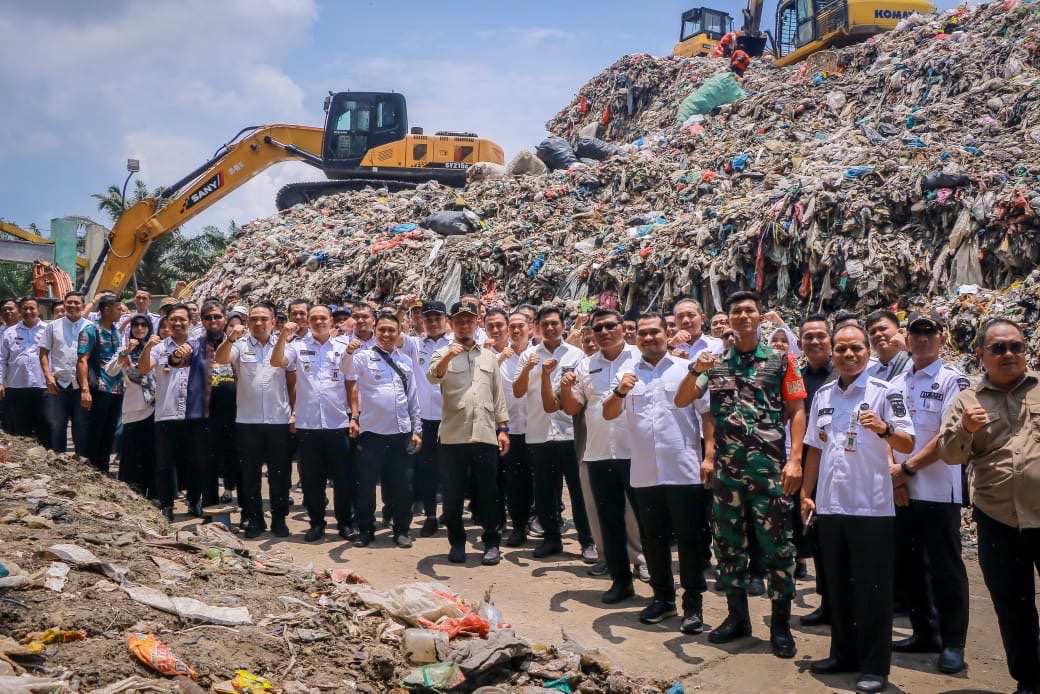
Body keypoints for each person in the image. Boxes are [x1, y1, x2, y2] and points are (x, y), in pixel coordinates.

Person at [677, 291, 805, 659]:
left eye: (750, 310)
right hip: (727, 475)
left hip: (769, 472)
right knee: (729, 547)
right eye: (737, 311)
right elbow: (683, 400)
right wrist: (695, 369)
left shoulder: (782, 361)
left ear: (760, 317)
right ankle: (738, 618)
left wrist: (794, 459)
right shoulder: (715, 364)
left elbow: (797, 411)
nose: (743, 316)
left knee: (778, 547)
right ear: (729, 319)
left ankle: (780, 625)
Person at [801, 323, 915, 694]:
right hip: (832, 505)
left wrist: (883, 428)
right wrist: (807, 492)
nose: (848, 355)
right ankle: (843, 654)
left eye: (856, 348)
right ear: (833, 354)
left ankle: (873, 666)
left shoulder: (887, 391)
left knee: (872, 590)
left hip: (871, 507)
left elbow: (907, 441)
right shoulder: (824, 395)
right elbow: (814, 447)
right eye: (841, 349)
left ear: (867, 351)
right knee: (838, 586)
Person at [937, 318, 1040, 693]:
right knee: (1014, 608)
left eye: (1016, 346)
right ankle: (1029, 681)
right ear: (981, 355)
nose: (1009, 354)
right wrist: (965, 428)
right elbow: (948, 454)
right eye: (998, 348)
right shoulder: (967, 400)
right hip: (998, 521)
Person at [603, 313, 709, 631]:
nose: (649, 338)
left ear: (668, 333)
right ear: (636, 338)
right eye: (643, 334)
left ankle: (693, 605)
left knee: (689, 540)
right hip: (645, 472)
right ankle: (663, 599)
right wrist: (620, 391)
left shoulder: (686, 370)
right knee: (653, 539)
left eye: (655, 332)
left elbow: (707, 415)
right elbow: (609, 413)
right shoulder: (626, 373)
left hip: (683, 469)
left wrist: (710, 457)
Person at [888, 309, 970, 674]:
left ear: (941, 337)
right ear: (906, 339)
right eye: (915, 333)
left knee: (945, 569)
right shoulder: (895, 383)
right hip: (904, 490)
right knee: (909, 567)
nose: (922, 339)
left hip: (939, 491)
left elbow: (948, 435)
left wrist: (907, 469)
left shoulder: (954, 379)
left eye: (929, 332)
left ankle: (953, 644)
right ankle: (925, 633)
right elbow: (888, 433)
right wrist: (899, 480)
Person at [559, 308, 644, 604]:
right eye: (598, 328)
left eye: (610, 326)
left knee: (647, 521)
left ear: (623, 328)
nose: (604, 332)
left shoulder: (639, 357)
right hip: (597, 453)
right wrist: (566, 390)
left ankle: (661, 587)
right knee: (609, 522)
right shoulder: (586, 365)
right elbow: (573, 408)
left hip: (636, 453)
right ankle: (621, 582)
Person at [428, 300, 510, 565]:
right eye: (459, 321)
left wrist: (503, 428)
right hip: (453, 437)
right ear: (450, 324)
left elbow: (497, 394)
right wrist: (450, 355)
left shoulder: (488, 356)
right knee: (452, 496)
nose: (465, 325)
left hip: (485, 435)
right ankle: (457, 543)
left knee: (488, 493)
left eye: (470, 320)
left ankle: (491, 543)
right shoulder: (442, 352)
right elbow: (433, 376)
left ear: (478, 324)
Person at [514, 306, 594, 559]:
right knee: (545, 491)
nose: (550, 328)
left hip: (571, 432)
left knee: (578, 491)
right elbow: (517, 392)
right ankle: (551, 539)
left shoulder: (577, 355)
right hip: (539, 433)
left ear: (563, 326)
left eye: (554, 323)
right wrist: (529, 369)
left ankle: (588, 541)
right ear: (536, 327)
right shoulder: (528, 355)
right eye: (545, 324)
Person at [273, 305, 355, 542]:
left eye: (323, 318)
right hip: (308, 424)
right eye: (314, 319)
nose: (319, 322)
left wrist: (354, 417)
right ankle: (316, 523)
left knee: (343, 479)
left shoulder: (343, 347)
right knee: (312, 480)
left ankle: (345, 523)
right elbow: (277, 361)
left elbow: (351, 383)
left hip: (337, 422)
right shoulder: (298, 347)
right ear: (308, 323)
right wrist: (282, 336)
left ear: (331, 321)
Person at [216, 302, 296, 538]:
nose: (259, 323)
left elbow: (280, 363)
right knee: (249, 474)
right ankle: (253, 518)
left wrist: (281, 337)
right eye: (254, 319)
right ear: (247, 322)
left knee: (279, 473)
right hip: (247, 420)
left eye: (264, 319)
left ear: (273, 322)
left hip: (277, 420)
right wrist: (230, 338)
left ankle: (279, 518)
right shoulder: (240, 345)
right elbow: (221, 359)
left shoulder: (287, 345)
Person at [342, 312, 422, 547]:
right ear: (375, 332)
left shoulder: (406, 362)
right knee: (366, 486)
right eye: (382, 330)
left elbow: (413, 399)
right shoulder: (363, 357)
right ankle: (366, 530)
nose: (387, 334)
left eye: (392, 330)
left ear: (399, 334)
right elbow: (346, 370)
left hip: (400, 434)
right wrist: (348, 352)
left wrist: (417, 430)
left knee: (403, 486)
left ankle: (401, 529)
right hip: (372, 434)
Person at [138, 305, 210, 521]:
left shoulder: (199, 347)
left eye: (182, 320)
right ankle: (167, 504)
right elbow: (143, 369)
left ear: (190, 322)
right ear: (166, 322)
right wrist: (147, 347)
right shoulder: (159, 348)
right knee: (164, 463)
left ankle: (194, 500)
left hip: (193, 414)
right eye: (173, 320)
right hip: (166, 413)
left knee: (195, 460)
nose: (178, 324)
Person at [797, 314, 838, 626]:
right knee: (821, 541)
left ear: (830, 340)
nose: (814, 341)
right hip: (812, 468)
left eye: (820, 336)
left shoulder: (843, 376)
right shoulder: (798, 378)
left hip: (844, 468)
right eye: (808, 337)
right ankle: (828, 604)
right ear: (800, 343)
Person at [401, 300, 451, 536]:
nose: (432, 322)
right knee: (426, 470)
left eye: (437, 318)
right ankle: (430, 516)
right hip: (423, 420)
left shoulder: (456, 344)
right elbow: (394, 336)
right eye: (427, 318)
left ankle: (451, 515)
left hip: (450, 418)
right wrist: (403, 309)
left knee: (452, 470)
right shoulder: (414, 345)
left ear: (446, 321)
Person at [106, 315, 156, 498]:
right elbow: (110, 371)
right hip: (134, 409)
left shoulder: (157, 348)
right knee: (133, 454)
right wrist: (125, 352)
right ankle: (134, 492)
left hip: (154, 407)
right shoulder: (125, 348)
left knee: (152, 453)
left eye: (144, 325)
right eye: (136, 325)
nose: (140, 328)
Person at [39, 291, 90, 455]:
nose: (73, 306)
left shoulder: (90, 326)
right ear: (65, 304)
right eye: (69, 302)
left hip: (82, 385)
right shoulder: (53, 326)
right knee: (58, 425)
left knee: (81, 426)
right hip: (59, 384)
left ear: (82, 305)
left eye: (76, 303)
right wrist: (48, 377)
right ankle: (58, 462)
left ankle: (82, 463)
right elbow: (43, 353)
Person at [78, 296, 125, 473]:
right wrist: (85, 389)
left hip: (117, 389)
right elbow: (82, 361)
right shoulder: (91, 331)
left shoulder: (116, 332)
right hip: (99, 387)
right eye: (118, 308)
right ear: (107, 310)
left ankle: (103, 470)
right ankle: (90, 469)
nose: (121, 312)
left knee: (109, 431)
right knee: (95, 430)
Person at [499, 311, 534, 546]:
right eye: (512, 326)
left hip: (537, 428)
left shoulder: (538, 355)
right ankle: (518, 527)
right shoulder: (500, 358)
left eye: (520, 325)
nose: (516, 330)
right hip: (511, 428)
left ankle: (547, 526)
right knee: (514, 481)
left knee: (541, 481)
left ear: (530, 328)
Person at [201, 302, 239, 506]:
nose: (213, 321)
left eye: (217, 316)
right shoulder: (195, 345)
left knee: (235, 458)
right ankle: (209, 507)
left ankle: (243, 510)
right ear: (202, 321)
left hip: (235, 412)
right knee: (208, 463)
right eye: (208, 317)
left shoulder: (238, 344)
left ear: (225, 319)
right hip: (206, 414)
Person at [0, 297, 48, 444]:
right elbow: (2, 359)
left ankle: (47, 463)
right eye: (24, 309)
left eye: (32, 308)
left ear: (38, 310)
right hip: (17, 388)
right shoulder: (10, 333)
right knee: (21, 432)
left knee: (45, 428)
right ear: (20, 311)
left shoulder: (48, 330)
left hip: (43, 387)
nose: (28, 312)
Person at [865, 310, 910, 382]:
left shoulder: (915, 363)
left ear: (900, 332)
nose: (878, 334)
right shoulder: (867, 375)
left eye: (883, 329)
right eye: (872, 332)